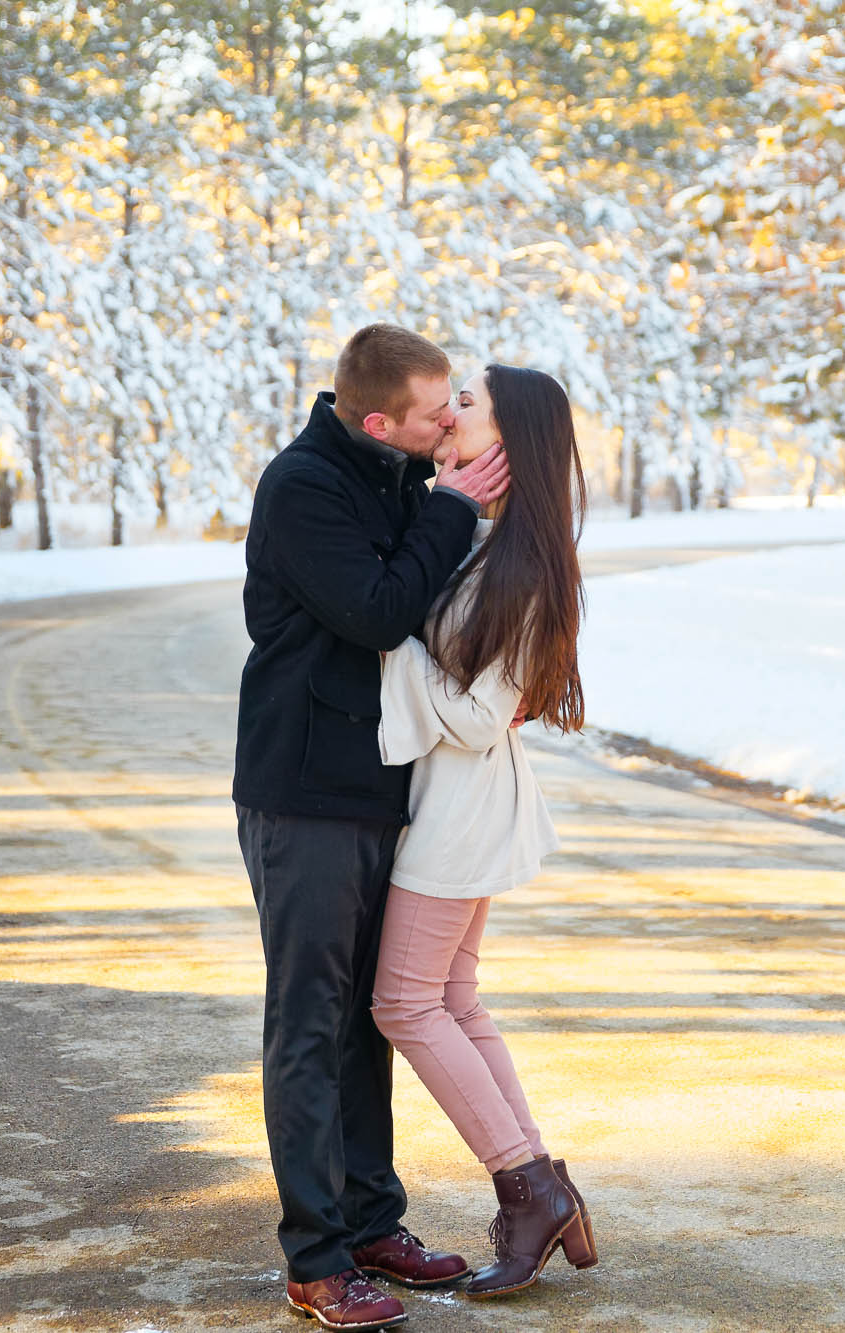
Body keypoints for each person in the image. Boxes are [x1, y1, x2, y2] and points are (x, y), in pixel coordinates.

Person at [233, 323, 511, 1332]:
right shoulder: (303, 487)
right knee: (309, 1021)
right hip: (303, 790)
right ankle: (315, 1261)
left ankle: (369, 1222)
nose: (450, 424)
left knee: (363, 1020)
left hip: (378, 787)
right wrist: (454, 508)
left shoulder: (399, 472)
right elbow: (379, 609)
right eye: (437, 412)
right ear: (383, 421)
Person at [371, 364, 598, 1299]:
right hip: (455, 798)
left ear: (510, 441)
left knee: (405, 1003)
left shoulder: (523, 564)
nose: (447, 411)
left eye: (466, 402)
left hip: (461, 809)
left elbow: (476, 716)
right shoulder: (484, 540)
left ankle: (527, 1186)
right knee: (453, 999)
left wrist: (387, 635)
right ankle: (544, 1185)